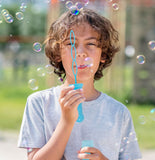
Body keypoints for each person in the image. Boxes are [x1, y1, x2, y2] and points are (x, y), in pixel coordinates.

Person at [18, 8, 142, 160]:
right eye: (71, 43)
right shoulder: (39, 103)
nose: (81, 52)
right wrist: (66, 121)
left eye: (91, 44)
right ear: (58, 53)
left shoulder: (119, 113)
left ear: (103, 54)